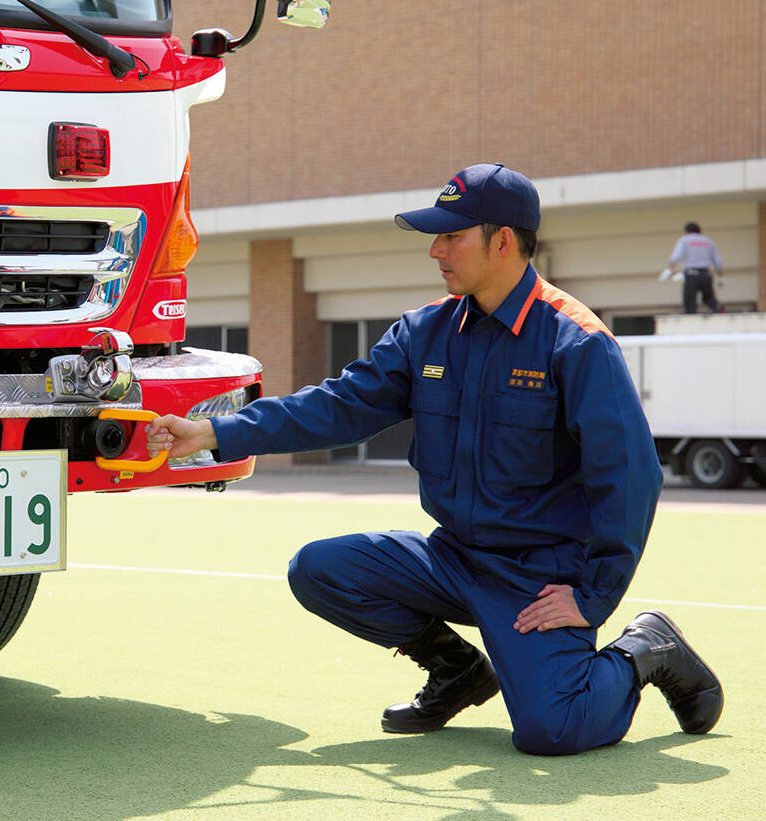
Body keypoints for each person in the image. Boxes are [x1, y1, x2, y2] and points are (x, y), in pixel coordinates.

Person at [145, 163, 723, 756]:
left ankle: (645, 649)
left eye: (452, 236)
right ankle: (458, 670)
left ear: (503, 241)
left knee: (555, 729)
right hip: (452, 559)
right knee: (319, 569)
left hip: (537, 577)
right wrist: (216, 432)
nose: (435, 251)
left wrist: (594, 594)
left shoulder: (574, 341)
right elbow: (340, 406)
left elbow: (629, 476)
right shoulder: (425, 332)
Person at [668, 222, 724, 313]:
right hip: (706, 274)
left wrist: (669, 269)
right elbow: (718, 261)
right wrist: (721, 276)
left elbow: (676, 256)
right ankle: (718, 308)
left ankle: (690, 318)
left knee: (689, 300)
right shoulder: (708, 241)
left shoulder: (684, 240)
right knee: (708, 298)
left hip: (691, 274)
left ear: (687, 231)